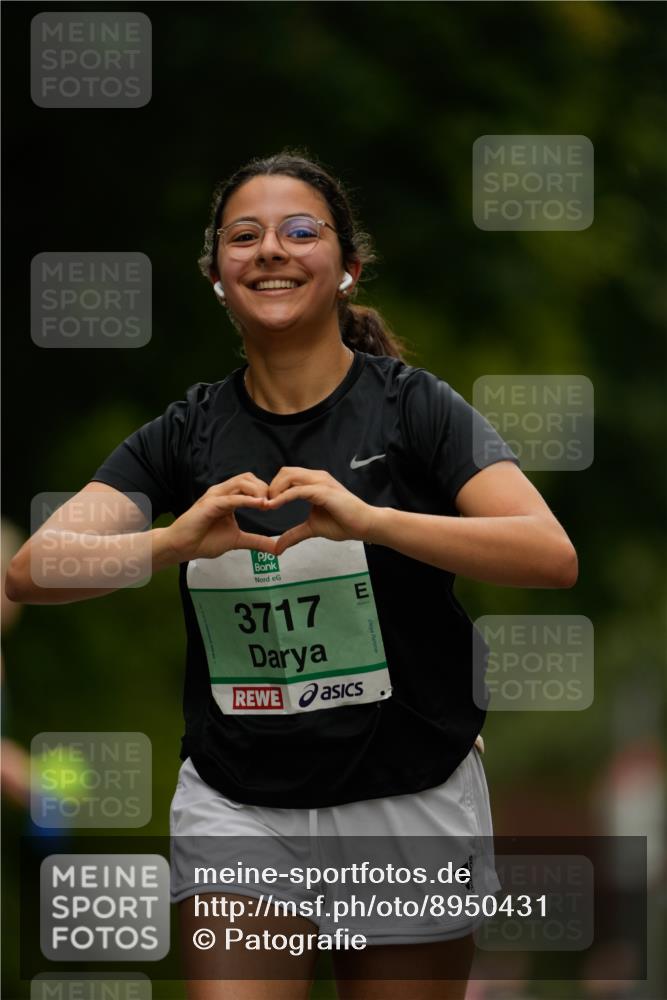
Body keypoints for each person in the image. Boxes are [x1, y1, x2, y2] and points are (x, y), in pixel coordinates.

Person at [6, 149, 578, 1000]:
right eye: (245, 235)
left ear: (346, 269)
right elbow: (32, 571)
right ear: (216, 276)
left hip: (407, 794)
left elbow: (549, 553)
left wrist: (371, 520)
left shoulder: (410, 407)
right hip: (238, 800)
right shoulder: (184, 434)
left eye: (299, 230)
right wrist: (174, 542)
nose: (270, 248)